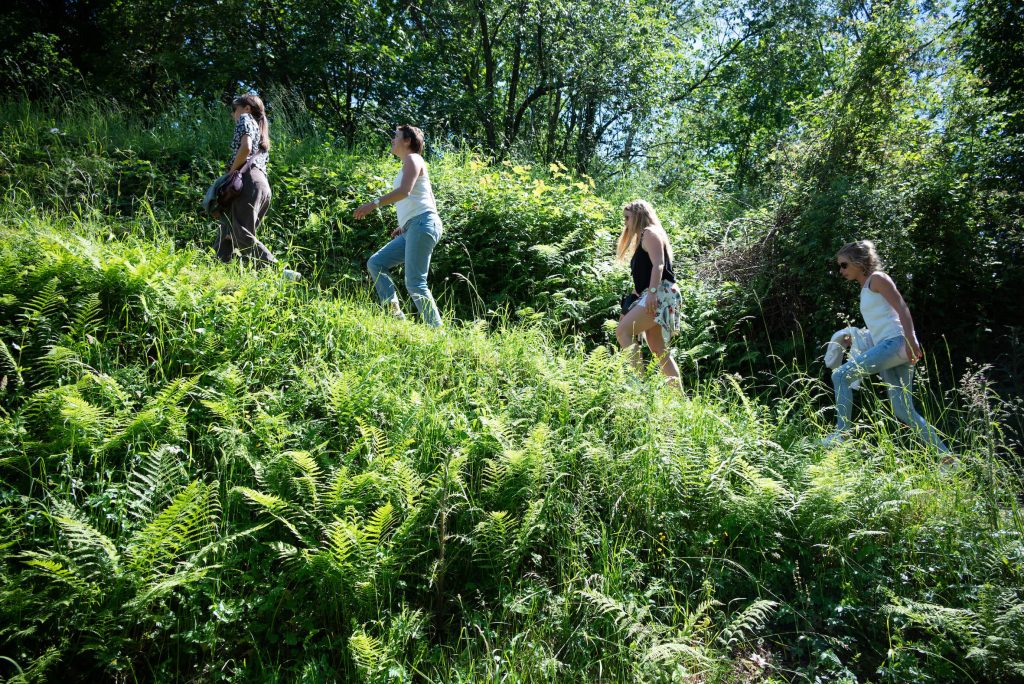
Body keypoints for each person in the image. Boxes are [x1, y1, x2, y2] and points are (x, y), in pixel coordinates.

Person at [824, 240, 948, 452]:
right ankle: (948, 459)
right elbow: (882, 323)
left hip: (897, 343)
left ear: (859, 261)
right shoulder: (865, 288)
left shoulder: (878, 279)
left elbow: (902, 308)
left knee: (840, 376)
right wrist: (856, 338)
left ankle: (842, 434)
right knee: (903, 410)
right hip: (891, 346)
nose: (840, 270)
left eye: (844, 265)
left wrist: (911, 339)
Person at [354, 125, 443, 327]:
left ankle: (438, 333)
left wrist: (373, 204)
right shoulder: (409, 164)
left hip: (422, 224)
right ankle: (395, 315)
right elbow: (428, 197)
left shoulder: (413, 158)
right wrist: (404, 225)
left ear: (407, 141)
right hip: (415, 226)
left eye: (396, 136)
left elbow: (404, 192)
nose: (393, 140)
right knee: (376, 263)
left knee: (415, 282)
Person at [214, 94, 299, 279]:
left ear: (247, 108)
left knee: (241, 232)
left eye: (234, 109)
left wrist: (231, 173)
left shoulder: (245, 119)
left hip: (249, 180)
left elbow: (245, 148)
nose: (233, 115)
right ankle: (218, 272)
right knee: (228, 229)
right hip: (262, 185)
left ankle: (278, 271)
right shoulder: (261, 130)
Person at [615, 200, 683, 386]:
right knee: (658, 348)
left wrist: (652, 293)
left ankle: (639, 388)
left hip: (659, 292)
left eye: (627, 218)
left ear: (638, 216)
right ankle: (678, 397)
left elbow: (658, 265)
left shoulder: (649, 233)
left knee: (622, 332)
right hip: (657, 293)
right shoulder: (646, 235)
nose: (625, 223)